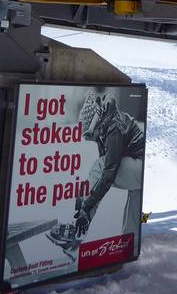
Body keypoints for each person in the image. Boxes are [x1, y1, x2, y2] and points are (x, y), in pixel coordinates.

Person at [48, 88, 144, 252]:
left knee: (99, 166)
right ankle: (130, 247)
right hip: (140, 167)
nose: (90, 139)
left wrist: (86, 207)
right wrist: (84, 200)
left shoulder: (114, 129)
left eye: (90, 134)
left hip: (140, 166)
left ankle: (76, 230)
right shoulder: (107, 122)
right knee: (134, 207)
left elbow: (107, 173)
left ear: (96, 124)